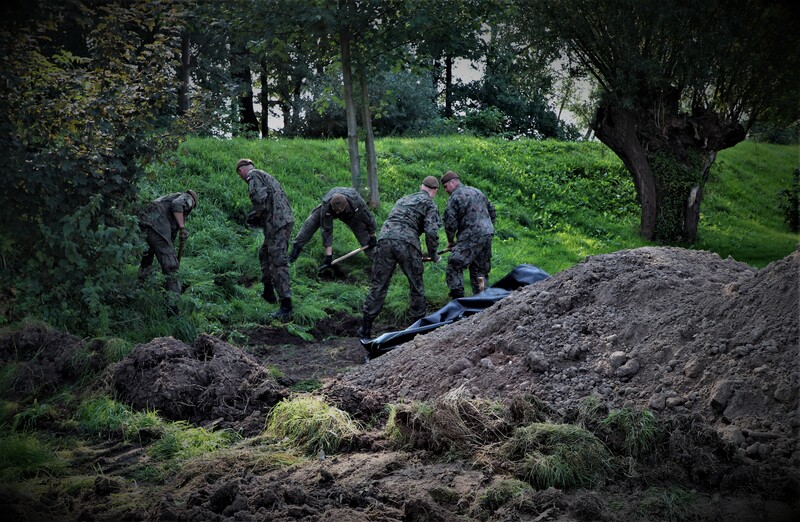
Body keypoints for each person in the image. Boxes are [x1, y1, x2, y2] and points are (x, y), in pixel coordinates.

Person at [358, 176, 442, 339]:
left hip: (385, 240)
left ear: (421, 187)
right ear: (435, 191)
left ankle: (365, 329)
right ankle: (418, 330)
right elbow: (431, 232)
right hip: (407, 242)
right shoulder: (429, 203)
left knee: (379, 284)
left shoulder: (404, 199)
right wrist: (433, 254)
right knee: (416, 285)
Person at [236, 158, 295, 319]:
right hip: (279, 222)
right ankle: (268, 292)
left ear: (241, 172)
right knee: (264, 254)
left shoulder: (253, 176)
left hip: (277, 224)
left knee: (278, 261)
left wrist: (255, 215)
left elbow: (259, 199)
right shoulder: (264, 175)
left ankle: (286, 304)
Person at [440, 170, 496, 299]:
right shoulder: (477, 191)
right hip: (487, 232)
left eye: (446, 187)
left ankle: (458, 301)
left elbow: (450, 224)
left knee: (454, 264)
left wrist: (450, 241)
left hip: (471, 234)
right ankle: (482, 301)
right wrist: (487, 226)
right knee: (479, 270)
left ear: (453, 183)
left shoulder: (455, 197)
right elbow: (492, 210)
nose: (446, 190)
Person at [289, 187, 378, 267]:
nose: (338, 213)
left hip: (351, 215)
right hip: (330, 209)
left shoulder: (357, 203)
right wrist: (329, 256)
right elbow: (327, 229)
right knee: (311, 222)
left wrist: (372, 236)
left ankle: (378, 263)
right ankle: (295, 251)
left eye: (339, 211)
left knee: (366, 239)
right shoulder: (327, 205)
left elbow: (369, 219)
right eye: (336, 211)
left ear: (346, 205)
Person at [139, 190, 198, 296]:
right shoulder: (187, 198)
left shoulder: (166, 199)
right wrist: (182, 227)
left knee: (147, 256)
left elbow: (170, 238)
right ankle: (173, 300)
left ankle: (140, 287)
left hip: (144, 220)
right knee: (171, 266)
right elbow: (177, 205)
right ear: (193, 203)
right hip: (157, 223)